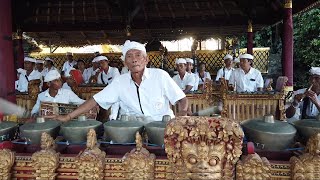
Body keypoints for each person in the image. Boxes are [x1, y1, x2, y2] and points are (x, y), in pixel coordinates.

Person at [48, 40, 188, 122]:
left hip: (161, 126)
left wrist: (183, 112)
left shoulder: (160, 76)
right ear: (125, 63)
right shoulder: (120, 82)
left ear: (146, 59)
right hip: (133, 129)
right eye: (129, 56)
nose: (134, 59)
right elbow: (95, 100)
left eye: (138, 55)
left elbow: (181, 98)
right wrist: (68, 116)